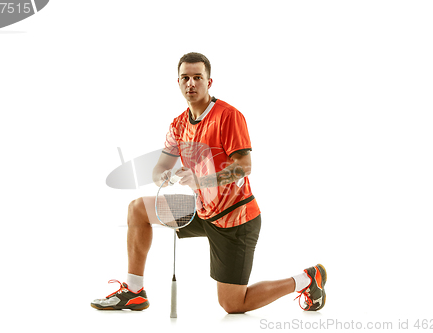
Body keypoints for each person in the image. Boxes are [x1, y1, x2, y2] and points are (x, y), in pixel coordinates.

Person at [91, 52, 327, 313]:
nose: (191, 83)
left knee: (233, 304)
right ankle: (134, 292)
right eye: (185, 78)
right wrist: (163, 176)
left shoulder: (228, 116)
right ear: (178, 82)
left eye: (197, 77)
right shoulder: (178, 124)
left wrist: (201, 180)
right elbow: (160, 166)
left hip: (235, 219)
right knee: (138, 209)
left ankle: (307, 278)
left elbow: (244, 167)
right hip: (202, 211)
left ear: (209, 82)